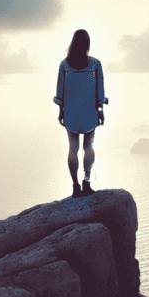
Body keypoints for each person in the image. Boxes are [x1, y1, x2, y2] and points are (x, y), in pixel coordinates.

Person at [54, 29, 107, 198]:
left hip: (70, 112)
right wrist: (100, 111)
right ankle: (86, 181)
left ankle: (75, 187)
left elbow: (60, 91)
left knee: (73, 149)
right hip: (89, 111)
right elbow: (100, 90)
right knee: (89, 146)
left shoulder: (64, 65)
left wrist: (61, 111)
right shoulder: (95, 64)